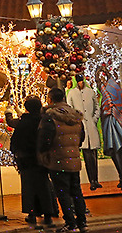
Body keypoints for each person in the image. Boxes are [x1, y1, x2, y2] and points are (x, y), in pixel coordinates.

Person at [38, 87, 88, 233]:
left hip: (57, 160)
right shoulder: (75, 116)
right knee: (76, 191)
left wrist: (44, 154)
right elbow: (81, 137)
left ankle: (70, 223)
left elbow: (45, 140)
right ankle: (82, 223)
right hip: (74, 159)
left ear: (50, 99)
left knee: (63, 193)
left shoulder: (49, 117)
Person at [10, 96, 57, 226]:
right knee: (44, 186)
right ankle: (48, 215)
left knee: (28, 187)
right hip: (42, 159)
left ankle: (32, 214)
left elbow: (15, 142)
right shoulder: (44, 121)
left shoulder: (23, 123)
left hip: (26, 160)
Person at [66, 75, 102, 190]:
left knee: (93, 155)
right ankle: (92, 180)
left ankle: (96, 179)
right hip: (81, 127)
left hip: (91, 125)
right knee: (87, 155)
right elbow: (70, 109)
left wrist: (94, 119)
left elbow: (97, 107)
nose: (81, 83)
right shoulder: (72, 93)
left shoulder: (90, 92)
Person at [97, 65, 122, 189]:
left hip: (113, 122)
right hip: (113, 122)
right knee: (116, 151)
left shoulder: (110, 89)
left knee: (116, 151)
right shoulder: (114, 88)